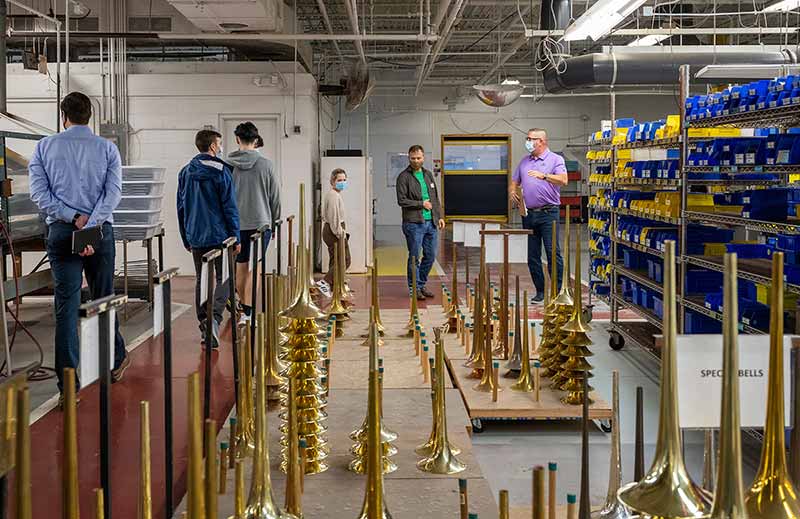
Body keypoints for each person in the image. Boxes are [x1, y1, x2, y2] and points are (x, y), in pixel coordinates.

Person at [29, 91, 130, 397]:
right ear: (90, 116)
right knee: (103, 298)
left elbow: (39, 194)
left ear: (64, 117)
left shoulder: (44, 147)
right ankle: (114, 362)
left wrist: (73, 218)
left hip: (62, 231)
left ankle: (69, 386)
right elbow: (113, 194)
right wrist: (91, 226)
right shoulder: (108, 149)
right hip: (99, 231)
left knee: (66, 308)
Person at [177, 129, 241, 348]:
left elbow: (181, 207)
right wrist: (235, 236)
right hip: (220, 236)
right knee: (225, 278)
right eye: (219, 144)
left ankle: (205, 324)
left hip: (196, 235)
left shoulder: (185, 172)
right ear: (213, 146)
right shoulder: (222, 171)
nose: (221, 148)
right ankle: (214, 319)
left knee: (201, 278)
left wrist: (186, 236)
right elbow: (230, 207)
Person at [225, 122, 281, 324]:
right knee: (255, 268)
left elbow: (223, 197)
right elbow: (275, 197)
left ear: (237, 139)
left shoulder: (227, 165)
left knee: (240, 267)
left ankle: (243, 309)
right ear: (256, 140)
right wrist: (274, 222)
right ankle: (248, 313)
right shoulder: (266, 165)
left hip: (236, 225)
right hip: (261, 224)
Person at [510, 128, 568, 304]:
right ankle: (540, 291)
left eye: (531, 139)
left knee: (552, 253)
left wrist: (544, 176)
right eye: (527, 138)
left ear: (541, 141)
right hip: (528, 214)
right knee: (532, 256)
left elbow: (563, 180)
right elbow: (514, 181)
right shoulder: (524, 161)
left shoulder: (555, 159)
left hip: (548, 213)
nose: (528, 142)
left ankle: (557, 292)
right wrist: (512, 191)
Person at [396, 144, 445, 300]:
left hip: (431, 222)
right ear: (409, 158)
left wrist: (439, 216)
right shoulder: (403, 177)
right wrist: (421, 204)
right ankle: (414, 288)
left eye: (418, 158)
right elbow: (402, 200)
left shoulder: (428, 175)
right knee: (414, 257)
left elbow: (435, 198)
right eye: (413, 158)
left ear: (423, 158)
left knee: (430, 256)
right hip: (413, 223)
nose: (416, 161)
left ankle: (421, 284)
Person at [320, 168, 351, 296]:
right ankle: (325, 282)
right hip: (334, 230)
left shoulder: (335, 194)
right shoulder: (333, 196)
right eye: (339, 180)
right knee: (344, 260)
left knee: (335, 260)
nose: (342, 183)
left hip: (333, 229)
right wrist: (340, 234)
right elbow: (334, 218)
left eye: (344, 180)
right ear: (332, 181)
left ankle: (335, 289)